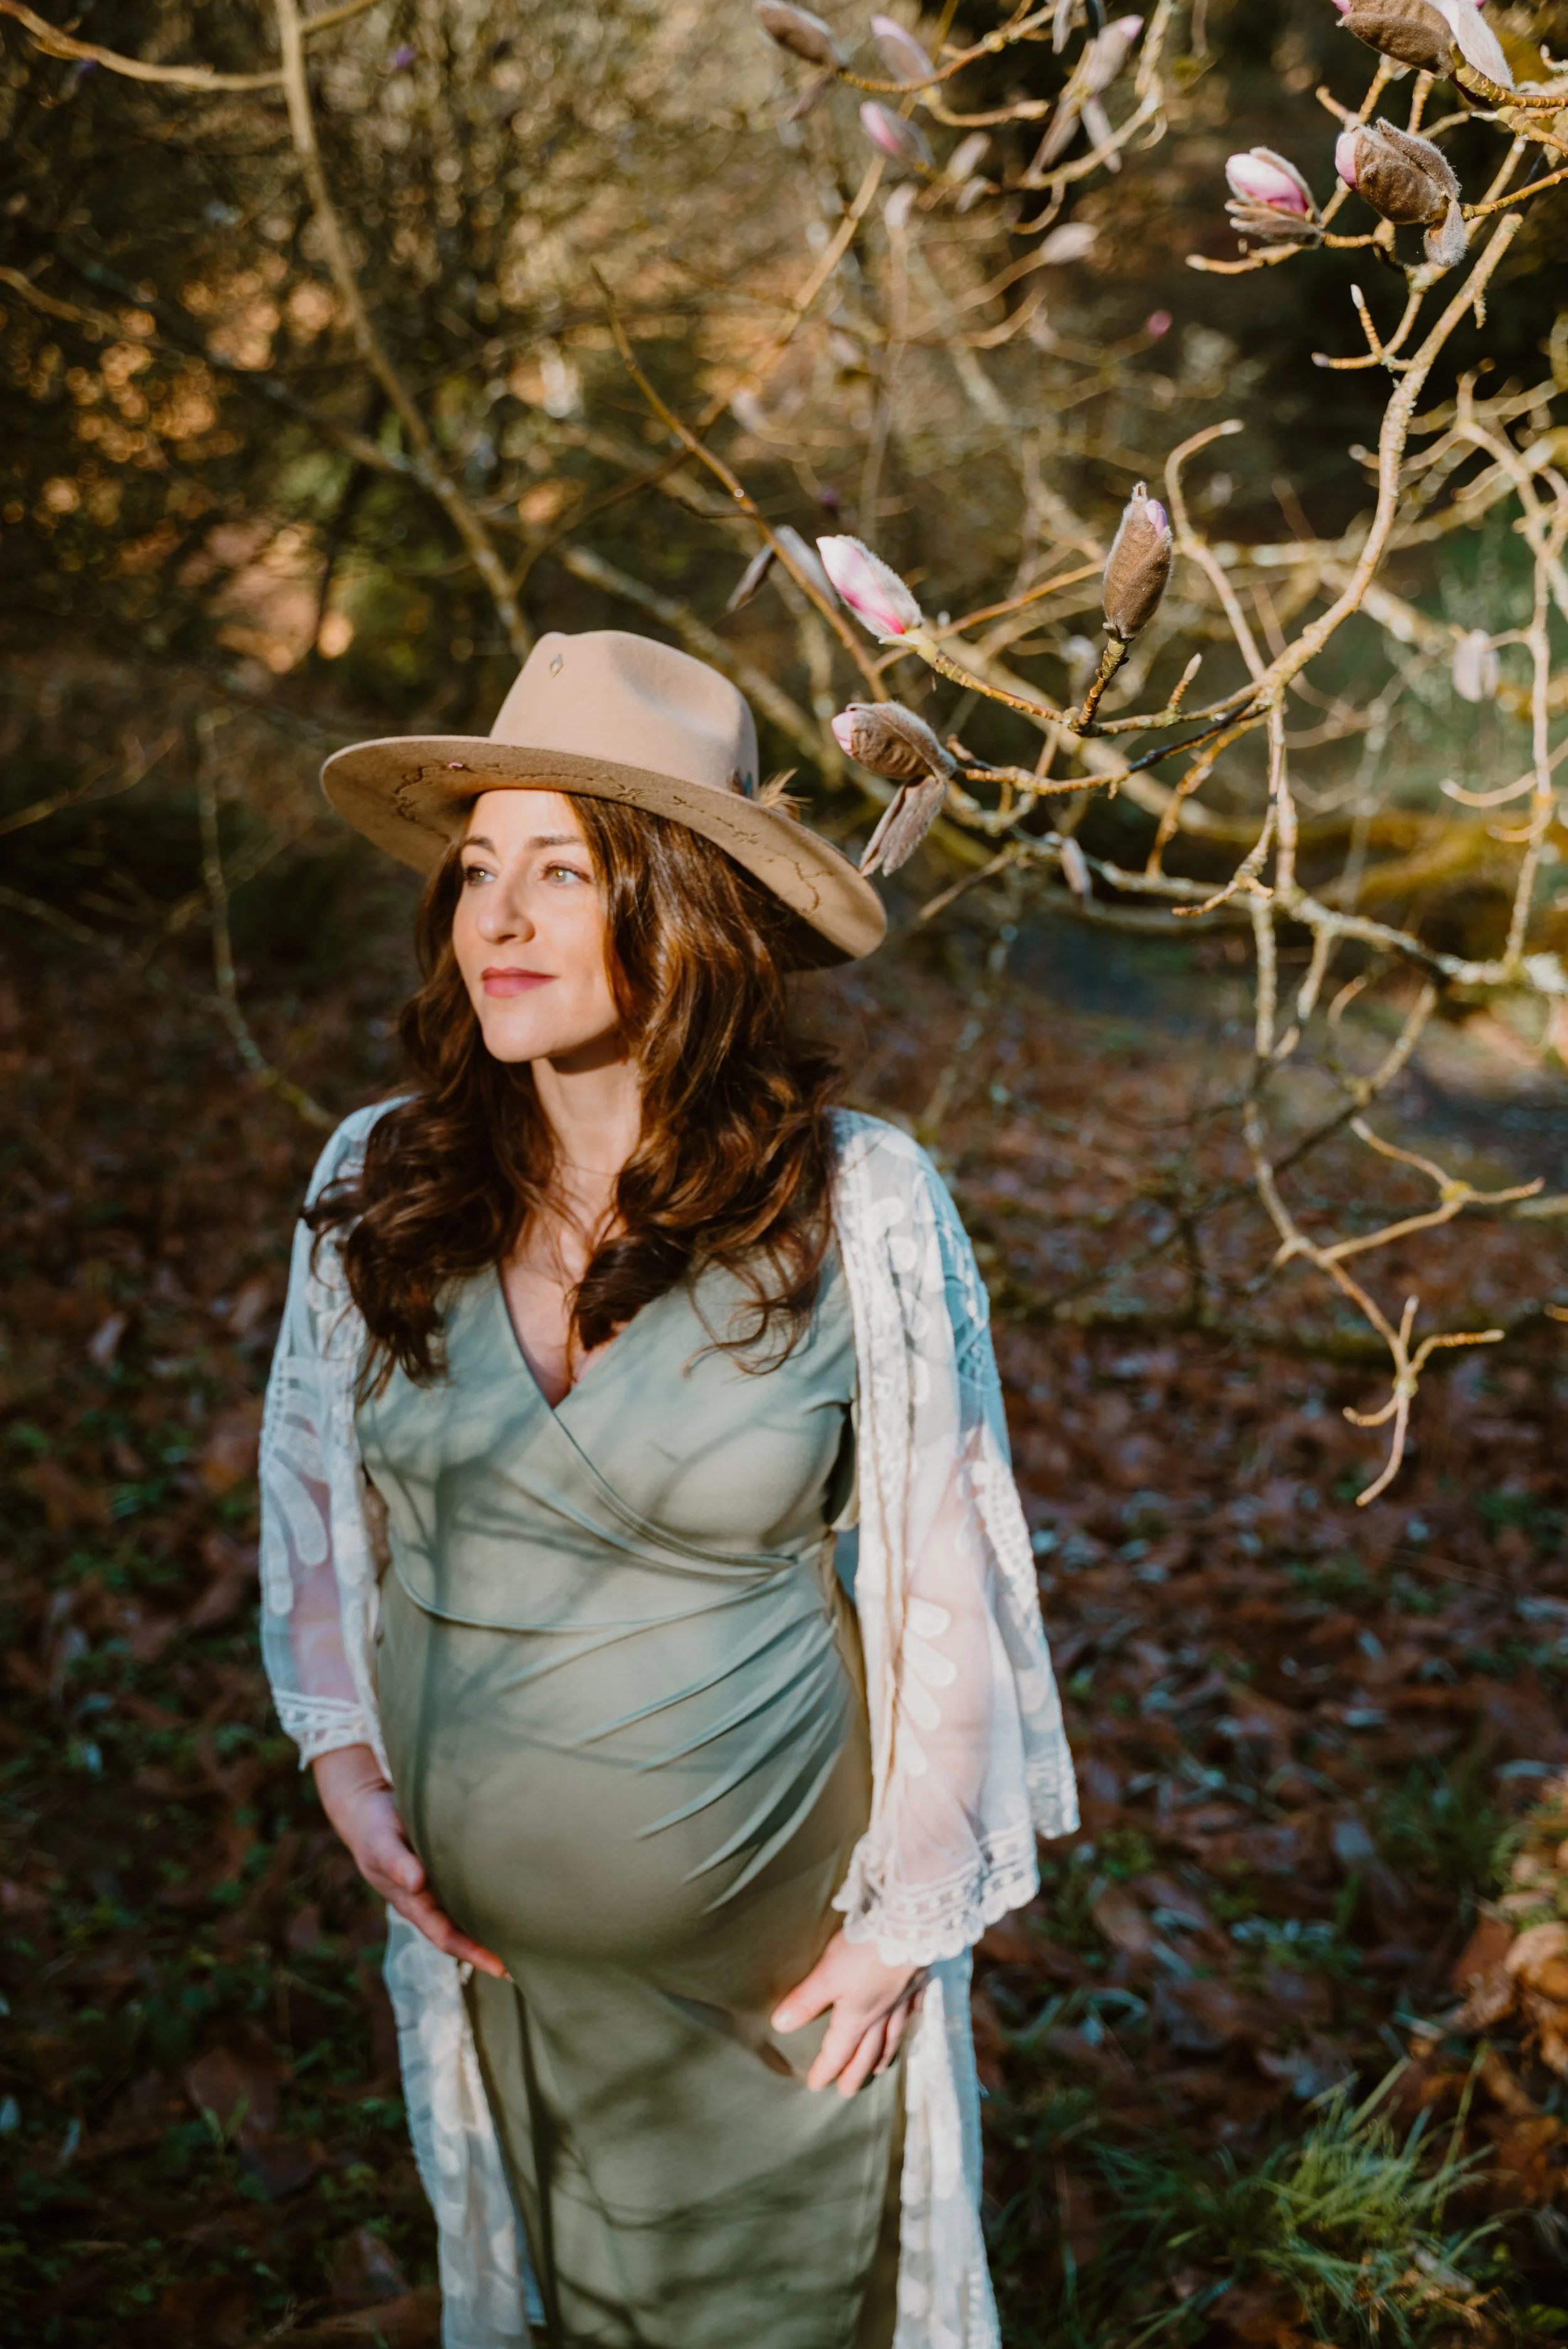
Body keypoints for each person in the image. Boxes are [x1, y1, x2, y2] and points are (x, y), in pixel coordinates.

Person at [258, 628, 1077, 2349]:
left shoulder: (853, 1201)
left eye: (562, 871)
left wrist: (904, 1922)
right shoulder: (378, 1179)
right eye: (478, 870)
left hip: (768, 1985)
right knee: (554, 2288)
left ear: (684, 906)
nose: (497, 917)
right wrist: (342, 1758)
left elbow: (946, 1569)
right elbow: (318, 1508)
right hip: (506, 1979)